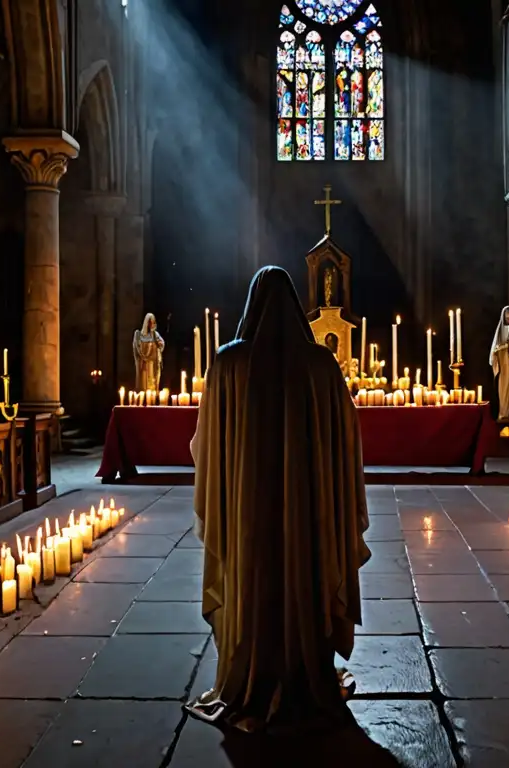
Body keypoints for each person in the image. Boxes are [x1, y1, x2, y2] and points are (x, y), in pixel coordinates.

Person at [188, 266, 370, 733]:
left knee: (250, 575)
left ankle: (249, 669)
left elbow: (203, 446)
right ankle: (306, 666)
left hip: (246, 507)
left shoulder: (228, 364)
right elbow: (348, 444)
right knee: (305, 569)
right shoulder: (322, 366)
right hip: (308, 511)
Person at [132, 312, 165, 391]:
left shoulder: (155, 335)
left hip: (152, 366)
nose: (152, 325)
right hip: (143, 366)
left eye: (153, 322)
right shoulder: (138, 335)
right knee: (143, 386)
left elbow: (161, 344)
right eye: (150, 322)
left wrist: (157, 349)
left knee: (152, 386)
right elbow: (137, 349)